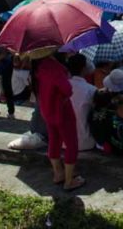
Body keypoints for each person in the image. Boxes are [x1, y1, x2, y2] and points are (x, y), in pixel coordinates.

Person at [33, 54, 83, 191]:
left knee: (54, 140)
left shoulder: (39, 66)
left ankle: (58, 173)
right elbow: (67, 89)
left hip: (47, 109)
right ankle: (69, 181)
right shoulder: (53, 67)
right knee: (71, 144)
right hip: (61, 110)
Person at [66, 53, 97, 152]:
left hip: (64, 141)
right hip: (85, 141)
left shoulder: (63, 86)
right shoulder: (91, 90)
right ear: (84, 69)